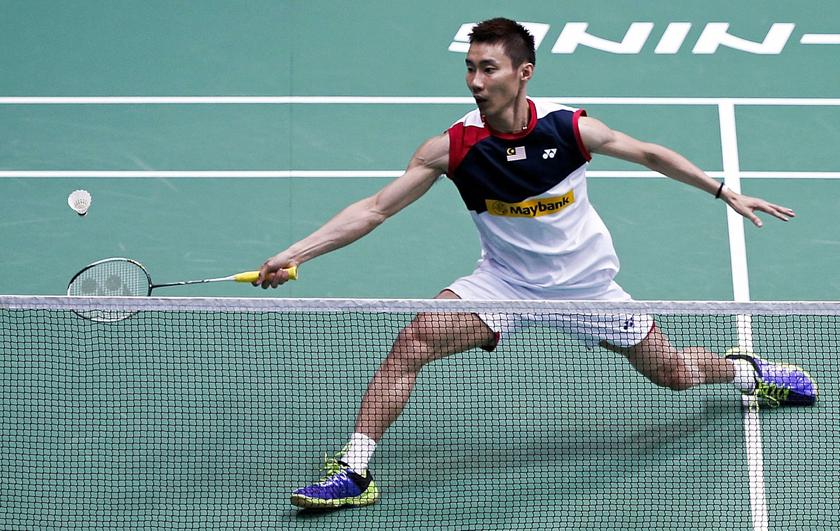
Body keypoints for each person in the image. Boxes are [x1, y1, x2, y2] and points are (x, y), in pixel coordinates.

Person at [255, 18, 818, 510]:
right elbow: (375, 209)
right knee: (414, 340)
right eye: (470, 68)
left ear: (523, 73)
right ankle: (355, 469)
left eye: (489, 69)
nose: (476, 82)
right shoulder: (454, 146)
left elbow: (648, 153)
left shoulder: (567, 128)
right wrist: (294, 254)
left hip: (587, 290)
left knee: (676, 375)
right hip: (504, 283)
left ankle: (749, 373)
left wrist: (723, 191)